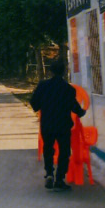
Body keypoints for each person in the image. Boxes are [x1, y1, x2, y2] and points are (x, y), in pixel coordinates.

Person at [30, 58, 86, 191]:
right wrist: (82, 112)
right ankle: (60, 179)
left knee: (48, 149)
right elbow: (75, 108)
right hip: (63, 125)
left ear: (50, 71)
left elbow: (34, 103)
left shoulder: (43, 86)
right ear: (64, 71)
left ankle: (49, 173)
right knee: (64, 151)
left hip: (47, 124)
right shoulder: (68, 89)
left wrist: (42, 106)